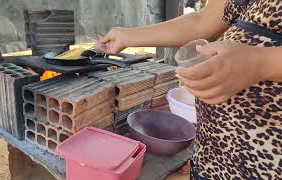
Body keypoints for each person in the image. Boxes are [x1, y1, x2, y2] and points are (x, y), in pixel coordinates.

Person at [95, 0, 282, 179]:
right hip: (213, 156)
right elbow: (204, 21)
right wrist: (126, 36)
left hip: (269, 160)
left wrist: (258, 63)